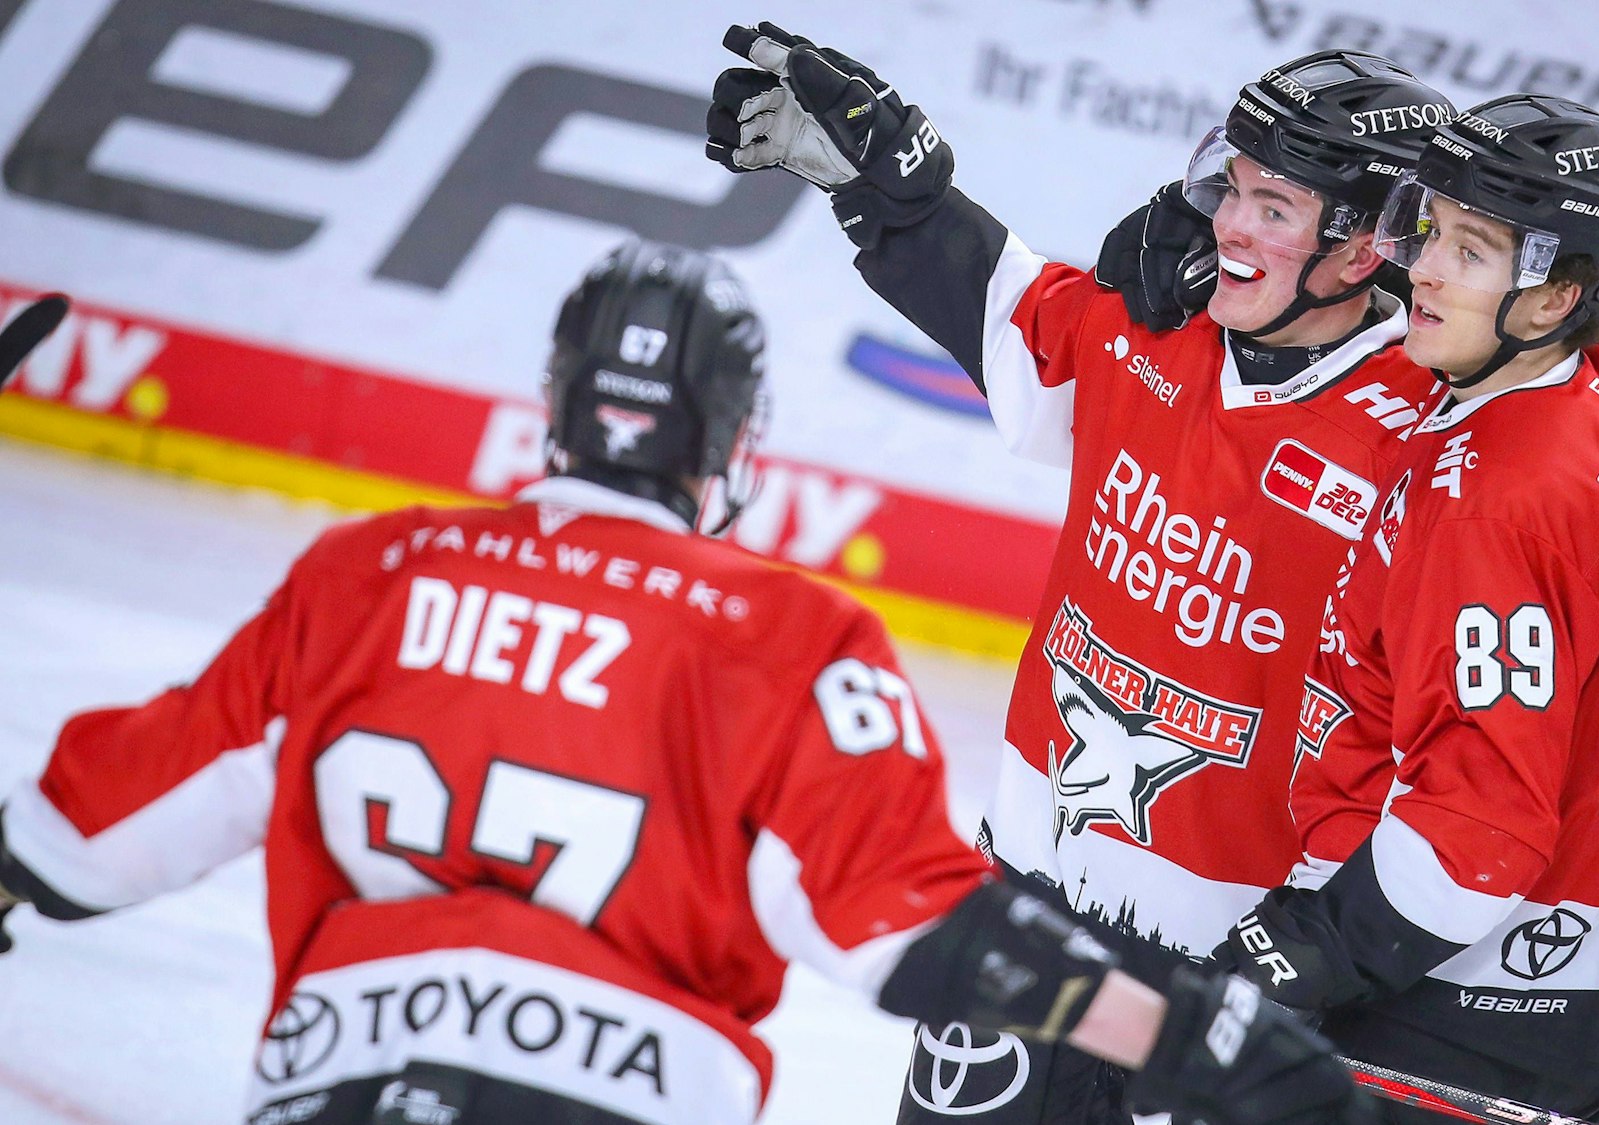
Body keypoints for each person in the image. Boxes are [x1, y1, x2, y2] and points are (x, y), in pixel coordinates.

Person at [0, 238, 1372, 1125]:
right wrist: (1197, 1034)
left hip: (339, 1083)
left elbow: (90, 833)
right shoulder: (790, 637)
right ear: (734, 442)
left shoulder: (371, 574)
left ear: (552, 402)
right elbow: (924, 931)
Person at [707, 24, 1456, 1124]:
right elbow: (1008, 315)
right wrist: (891, 190)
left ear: (1364, 251)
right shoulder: (1151, 328)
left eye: (1275, 209)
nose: (1230, 229)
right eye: (1230, 188)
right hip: (1025, 918)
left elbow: (1503, 691)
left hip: (1233, 978)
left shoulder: (1422, 445)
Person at [1198, 96, 1599, 1122]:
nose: (1425, 270)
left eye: (1473, 252)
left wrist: (1300, 955)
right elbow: (1578, 658)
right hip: (1567, 992)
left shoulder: (1492, 490)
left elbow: (1475, 829)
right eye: (1432, 232)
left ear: (1549, 303)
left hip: (1442, 1011)